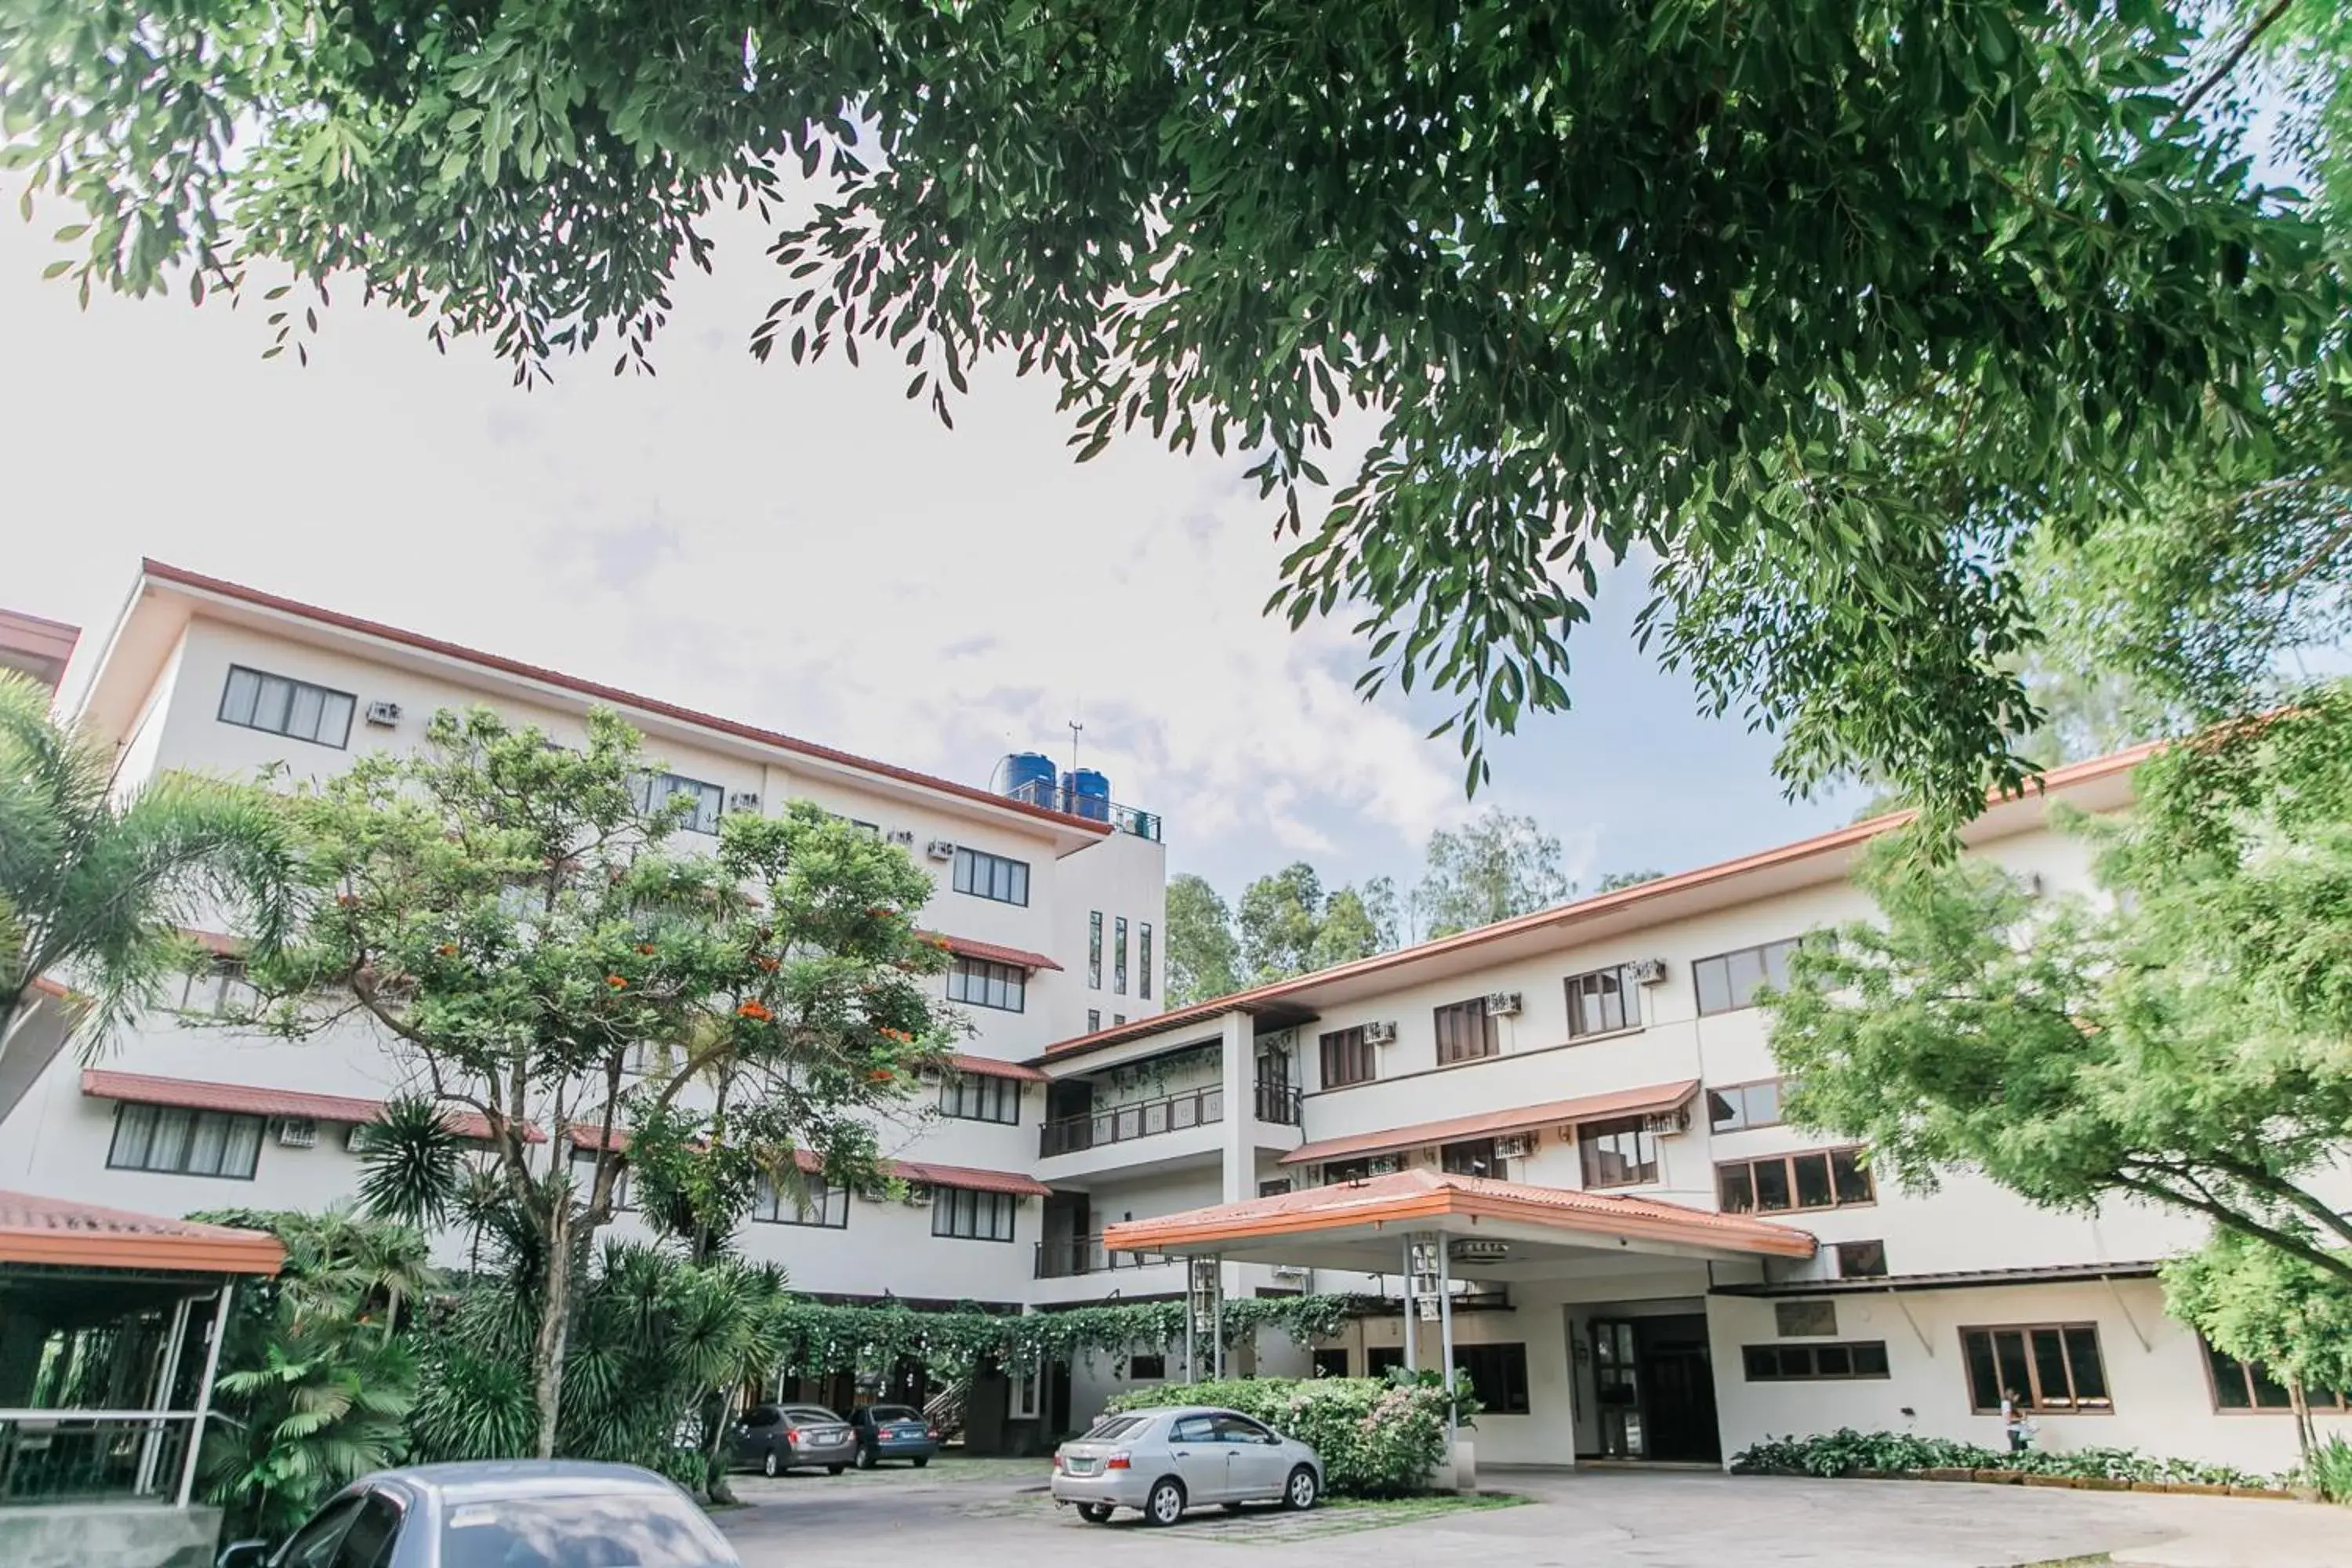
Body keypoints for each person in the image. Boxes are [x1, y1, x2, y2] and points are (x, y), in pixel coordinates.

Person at [2000, 1388, 2032, 1454]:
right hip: (2014, 1431)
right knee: (2017, 1452)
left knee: (2024, 1451)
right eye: (2017, 1397)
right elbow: (2009, 1419)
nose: (2018, 1399)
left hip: (2018, 1430)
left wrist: (2021, 1415)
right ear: (2013, 1395)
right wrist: (2022, 1418)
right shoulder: (2006, 1404)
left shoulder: (2011, 1405)